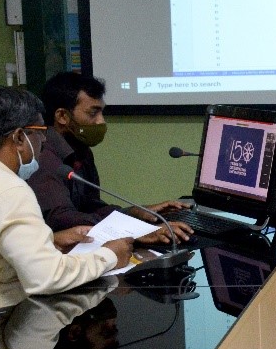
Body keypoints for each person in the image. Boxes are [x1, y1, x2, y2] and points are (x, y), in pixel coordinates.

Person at [0, 86, 134, 345]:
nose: (45, 143)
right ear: (19, 138)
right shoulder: (9, 190)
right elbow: (47, 279)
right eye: (41, 134)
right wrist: (110, 255)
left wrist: (50, 241)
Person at [28, 72, 193, 244]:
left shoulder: (80, 150)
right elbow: (62, 219)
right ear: (62, 116)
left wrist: (134, 213)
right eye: (93, 113)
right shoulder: (43, 156)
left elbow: (90, 205)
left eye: (102, 113)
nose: (101, 121)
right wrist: (136, 229)